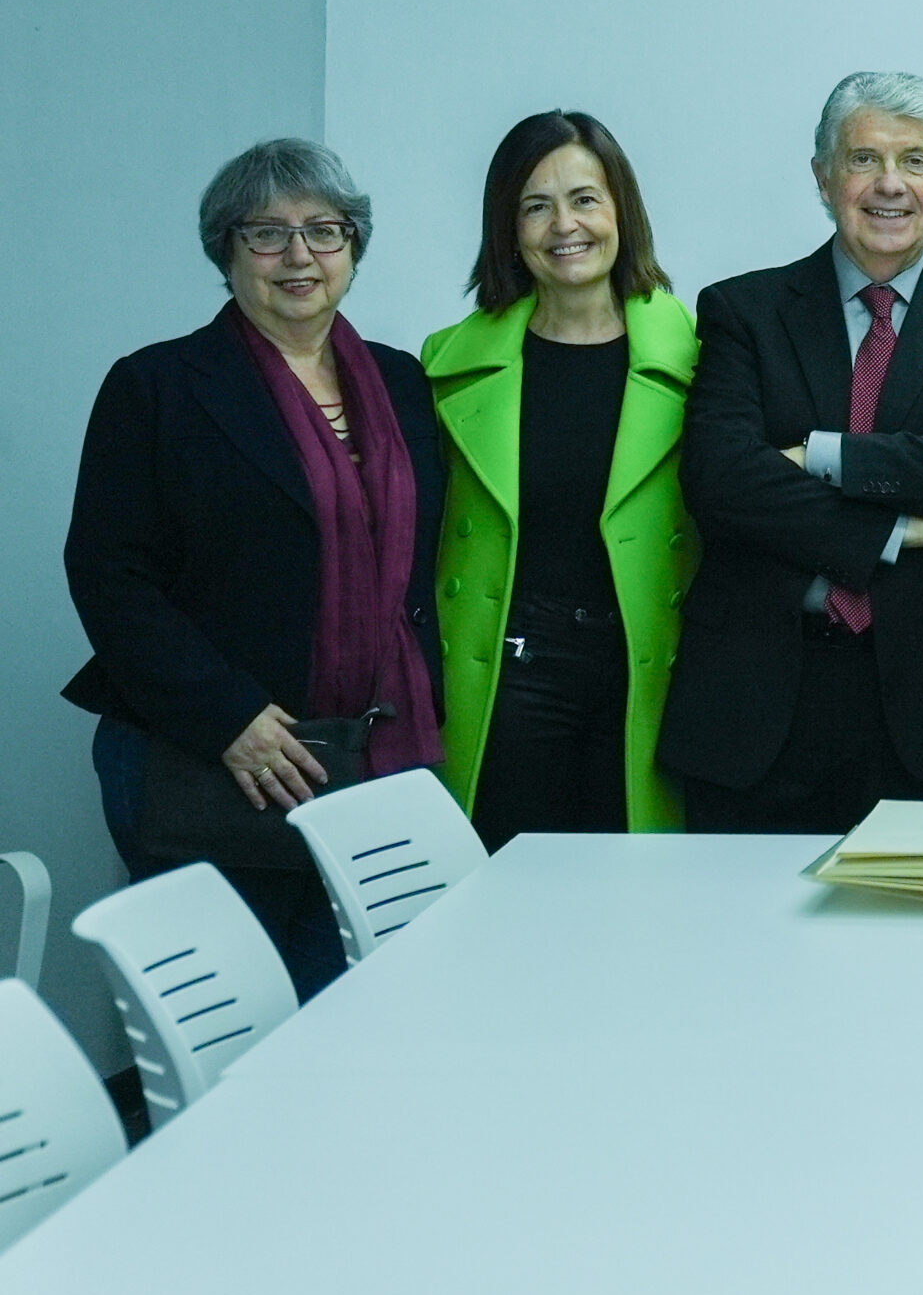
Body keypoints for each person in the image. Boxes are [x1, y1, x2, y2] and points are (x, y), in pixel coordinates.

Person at [63, 139, 444, 998]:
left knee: (347, 1017)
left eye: (324, 230)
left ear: (353, 245)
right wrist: (228, 716)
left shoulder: (402, 382)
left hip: (361, 763)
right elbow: (109, 575)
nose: (299, 255)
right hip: (208, 758)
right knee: (225, 1023)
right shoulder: (158, 386)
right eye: (267, 233)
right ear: (226, 250)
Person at [658, 73, 923, 831]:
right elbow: (721, 478)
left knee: (920, 912)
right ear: (823, 177)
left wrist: (817, 457)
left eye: (915, 161)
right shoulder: (743, 310)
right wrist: (892, 530)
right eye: (864, 159)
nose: (890, 184)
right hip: (756, 697)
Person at [422, 111, 696, 853]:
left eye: (584, 200)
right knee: (506, 889)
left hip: (648, 669)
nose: (564, 226)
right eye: (535, 206)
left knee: (633, 893)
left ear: (621, 211)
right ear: (507, 228)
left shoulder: (702, 358)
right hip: (511, 675)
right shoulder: (445, 365)